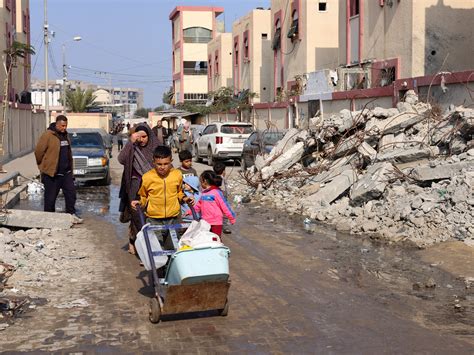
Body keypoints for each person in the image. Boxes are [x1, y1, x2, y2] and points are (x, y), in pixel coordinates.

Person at [131, 146, 194, 249]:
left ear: (171, 161)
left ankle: (169, 264)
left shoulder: (177, 175)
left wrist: (185, 198)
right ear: (153, 162)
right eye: (159, 164)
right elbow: (143, 195)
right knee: (157, 250)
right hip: (154, 219)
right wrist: (139, 203)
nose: (162, 167)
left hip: (173, 218)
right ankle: (157, 264)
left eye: (166, 164)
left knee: (172, 248)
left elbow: (179, 192)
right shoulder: (147, 177)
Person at [118, 124, 159, 255]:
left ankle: (150, 246)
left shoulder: (156, 147)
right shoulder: (132, 148)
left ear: (149, 136)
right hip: (135, 185)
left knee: (150, 216)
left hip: (153, 187)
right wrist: (130, 142)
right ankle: (136, 241)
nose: (141, 139)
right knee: (137, 216)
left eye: (144, 136)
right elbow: (121, 159)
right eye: (139, 136)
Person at [34, 115, 77, 216]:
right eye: (62, 126)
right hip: (52, 174)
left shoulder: (65, 135)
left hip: (66, 173)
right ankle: (49, 218)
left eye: (66, 126)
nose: (64, 128)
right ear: (57, 124)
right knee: (50, 198)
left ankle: (71, 215)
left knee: (71, 195)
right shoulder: (48, 135)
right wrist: (43, 166)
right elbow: (38, 152)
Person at [187, 170, 235, 237]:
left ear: (205, 181)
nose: (200, 184)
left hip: (216, 223)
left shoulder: (217, 192)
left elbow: (225, 206)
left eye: (201, 182)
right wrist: (190, 212)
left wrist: (231, 217)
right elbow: (198, 205)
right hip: (205, 222)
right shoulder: (204, 193)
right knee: (206, 239)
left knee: (215, 240)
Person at [213, 161, 232, 234]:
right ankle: (224, 227)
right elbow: (223, 190)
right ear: (223, 171)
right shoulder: (221, 179)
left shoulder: (215, 178)